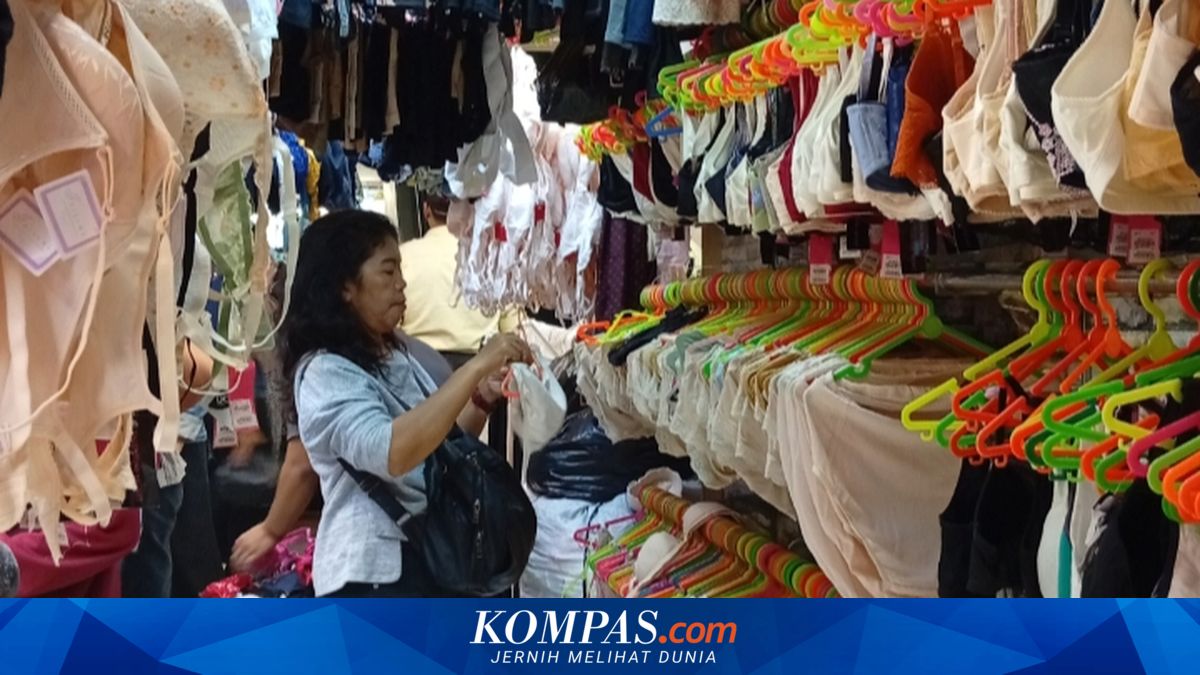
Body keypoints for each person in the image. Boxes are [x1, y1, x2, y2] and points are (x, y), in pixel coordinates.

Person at [278, 209, 532, 597]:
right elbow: (392, 452)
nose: (402, 284)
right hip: (373, 577)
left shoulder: (392, 353)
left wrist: (481, 397)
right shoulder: (324, 372)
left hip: (423, 558)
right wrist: (478, 363)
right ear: (346, 286)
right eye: (387, 271)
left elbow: (434, 449)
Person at [400, 192, 518, 371]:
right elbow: (512, 325)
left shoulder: (402, 256)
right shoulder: (489, 256)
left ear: (426, 211)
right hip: (482, 367)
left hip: (419, 370)